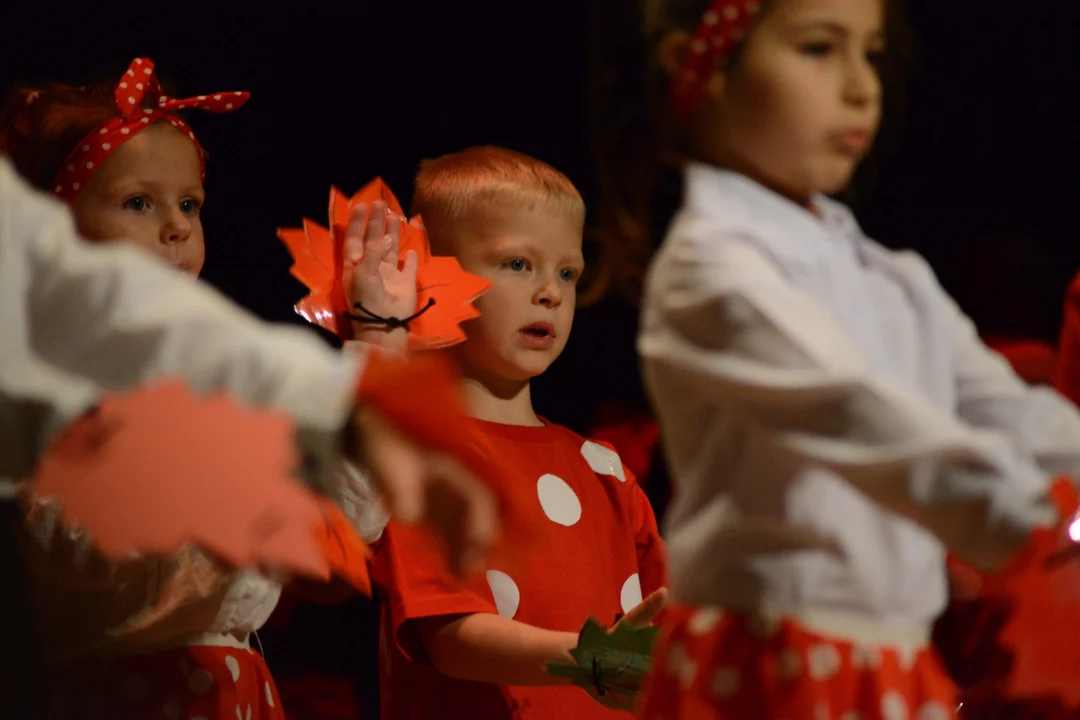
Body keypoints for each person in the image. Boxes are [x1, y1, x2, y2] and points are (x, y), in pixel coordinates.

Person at [591, 1, 1080, 717]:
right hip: (774, 660)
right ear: (702, 69)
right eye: (820, 49)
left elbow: (1002, 405)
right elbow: (859, 417)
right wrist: (1032, 527)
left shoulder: (888, 274)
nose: (862, 86)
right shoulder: (710, 268)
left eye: (872, 53)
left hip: (891, 656)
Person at [0, 148, 497, 716]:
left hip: (233, 693)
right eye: (138, 202)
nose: (178, 225)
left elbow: (338, 523)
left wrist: (378, 338)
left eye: (190, 204)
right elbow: (79, 545)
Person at [342, 146, 669, 718]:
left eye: (567, 272)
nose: (551, 291)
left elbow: (661, 626)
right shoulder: (425, 462)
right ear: (426, 277)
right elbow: (452, 638)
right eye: (519, 264)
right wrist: (583, 658)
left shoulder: (605, 469)